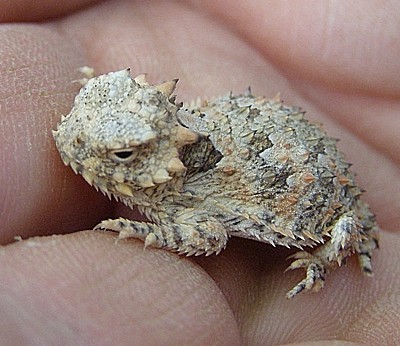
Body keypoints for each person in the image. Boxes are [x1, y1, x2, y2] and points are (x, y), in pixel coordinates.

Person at [1, 1, 399, 344]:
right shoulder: (173, 136)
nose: (69, 134)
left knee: (343, 229)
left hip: (303, 175)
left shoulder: (185, 190)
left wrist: (155, 232)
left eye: (121, 153)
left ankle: (335, 245)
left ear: (158, 166)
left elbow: (210, 235)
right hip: (269, 129)